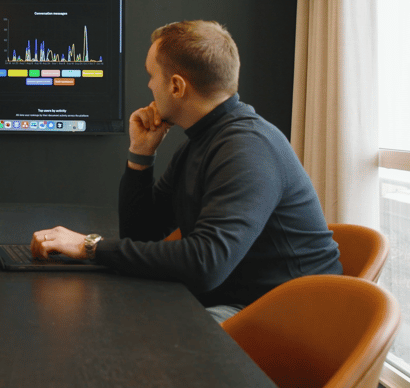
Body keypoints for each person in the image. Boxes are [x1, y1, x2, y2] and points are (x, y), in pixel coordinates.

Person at [30, 20, 341, 323]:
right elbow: (142, 234)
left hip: (286, 318)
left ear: (176, 86)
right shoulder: (203, 141)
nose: (150, 86)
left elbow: (206, 264)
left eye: (152, 76)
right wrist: (141, 154)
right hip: (239, 301)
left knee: (128, 335)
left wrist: (90, 246)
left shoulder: (248, 148)